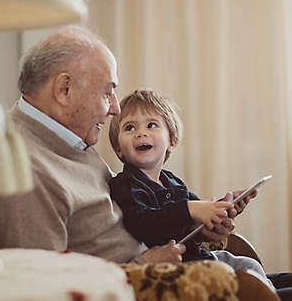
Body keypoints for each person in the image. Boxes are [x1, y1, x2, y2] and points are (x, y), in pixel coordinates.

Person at [0, 25, 292, 301]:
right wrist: (145, 266)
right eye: (108, 91)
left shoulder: (67, 140)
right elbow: (39, 290)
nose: (114, 108)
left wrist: (200, 228)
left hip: (172, 265)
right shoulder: (25, 163)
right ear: (64, 90)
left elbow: (127, 217)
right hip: (152, 288)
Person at [107, 89, 274, 290]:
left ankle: (270, 292)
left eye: (152, 125)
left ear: (172, 141)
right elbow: (142, 222)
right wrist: (190, 209)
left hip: (201, 257)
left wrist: (222, 208)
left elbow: (194, 220)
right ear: (118, 148)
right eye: (130, 128)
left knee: (249, 264)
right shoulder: (124, 184)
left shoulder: (172, 182)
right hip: (182, 271)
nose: (141, 133)